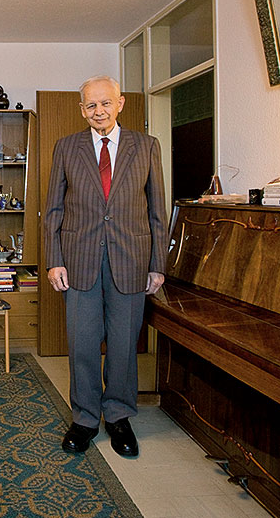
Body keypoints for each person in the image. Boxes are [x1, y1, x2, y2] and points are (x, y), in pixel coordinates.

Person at [43, 75, 168, 458]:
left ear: (120, 103)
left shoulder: (146, 146)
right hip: (79, 260)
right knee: (82, 344)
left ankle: (118, 416)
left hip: (131, 260)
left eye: (106, 103)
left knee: (123, 345)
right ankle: (84, 419)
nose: (99, 111)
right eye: (91, 105)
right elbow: (54, 210)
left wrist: (157, 264)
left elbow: (157, 211)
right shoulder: (67, 147)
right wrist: (54, 260)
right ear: (82, 110)